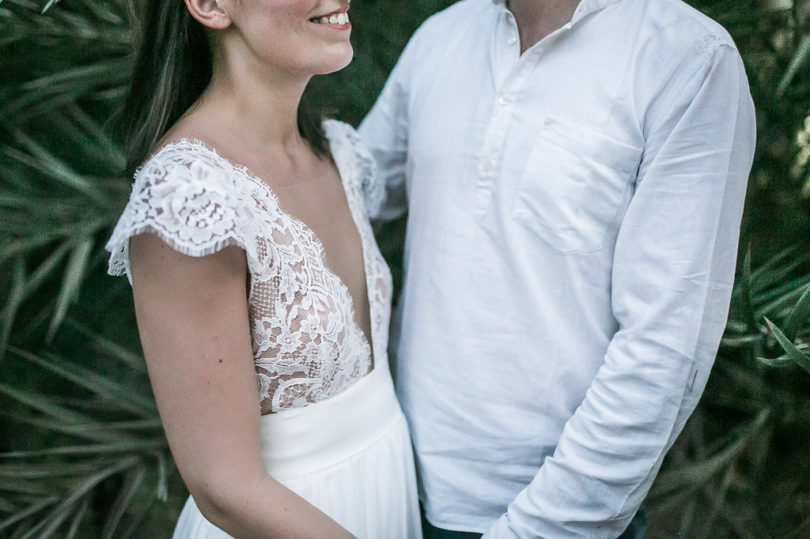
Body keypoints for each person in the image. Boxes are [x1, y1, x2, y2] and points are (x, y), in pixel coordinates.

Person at [359, 0, 756, 536]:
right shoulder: (442, 34)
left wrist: (539, 530)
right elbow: (345, 202)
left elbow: (664, 347)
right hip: (388, 489)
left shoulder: (689, 57)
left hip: (542, 514)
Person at [105, 0, 420, 537]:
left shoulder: (339, 152)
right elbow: (225, 487)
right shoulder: (190, 199)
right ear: (210, 6)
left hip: (387, 488)